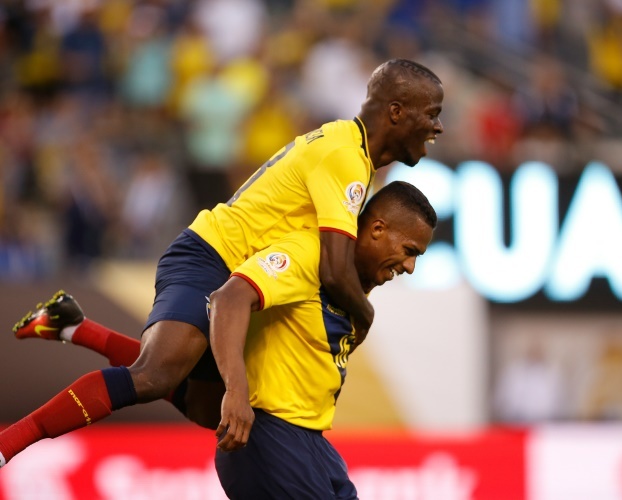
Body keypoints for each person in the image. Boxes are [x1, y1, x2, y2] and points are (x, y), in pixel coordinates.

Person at [0, 58, 444, 468]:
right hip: (212, 254)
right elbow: (334, 269)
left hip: (238, 270)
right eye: (432, 112)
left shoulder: (351, 154)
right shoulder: (345, 157)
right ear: (397, 111)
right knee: (156, 374)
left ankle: (73, 325)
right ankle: (8, 445)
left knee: (205, 408)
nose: (438, 126)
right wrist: (363, 315)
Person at [211, 180, 437, 498]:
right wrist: (235, 391)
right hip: (267, 435)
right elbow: (228, 299)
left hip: (310, 442)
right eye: (409, 251)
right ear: (377, 229)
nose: (411, 267)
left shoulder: (354, 285)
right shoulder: (309, 253)